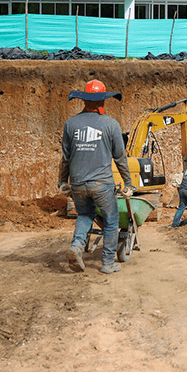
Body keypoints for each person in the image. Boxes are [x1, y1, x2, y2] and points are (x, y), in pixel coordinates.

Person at [59, 79, 134, 274]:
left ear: (84, 100)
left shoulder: (71, 123)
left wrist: (62, 180)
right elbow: (120, 157)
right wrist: (128, 182)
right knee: (111, 221)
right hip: (102, 184)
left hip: (77, 183)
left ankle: (76, 247)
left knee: (85, 214)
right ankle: (108, 263)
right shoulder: (110, 124)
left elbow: (66, 157)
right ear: (102, 101)